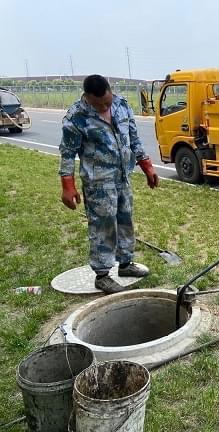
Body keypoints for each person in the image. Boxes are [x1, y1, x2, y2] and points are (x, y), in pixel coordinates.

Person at [59, 74, 159, 294]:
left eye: (107, 101)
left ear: (110, 90)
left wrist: (147, 165)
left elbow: (134, 139)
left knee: (125, 218)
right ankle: (102, 275)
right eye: (99, 104)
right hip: (98, 182)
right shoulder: (76, 116)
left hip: (123, 176)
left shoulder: (122, 105)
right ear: (87, 97)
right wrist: (68, 184)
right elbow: (67, 153)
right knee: (103, 225)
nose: (105, 107)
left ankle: (125, 263)